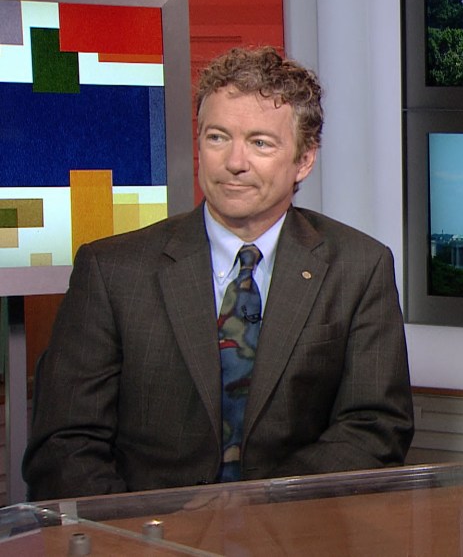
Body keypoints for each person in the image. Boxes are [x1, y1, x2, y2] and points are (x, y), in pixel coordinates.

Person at [23, 46, 414, 500]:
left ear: (304, 159)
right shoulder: (112, 270)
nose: (234, 162)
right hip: (145, 530)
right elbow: (64, 444)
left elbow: (374, 427)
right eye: (217, 137)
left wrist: (264, 513)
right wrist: (141, 529)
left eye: (260, 143)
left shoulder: (359, 266)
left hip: (292, 524)